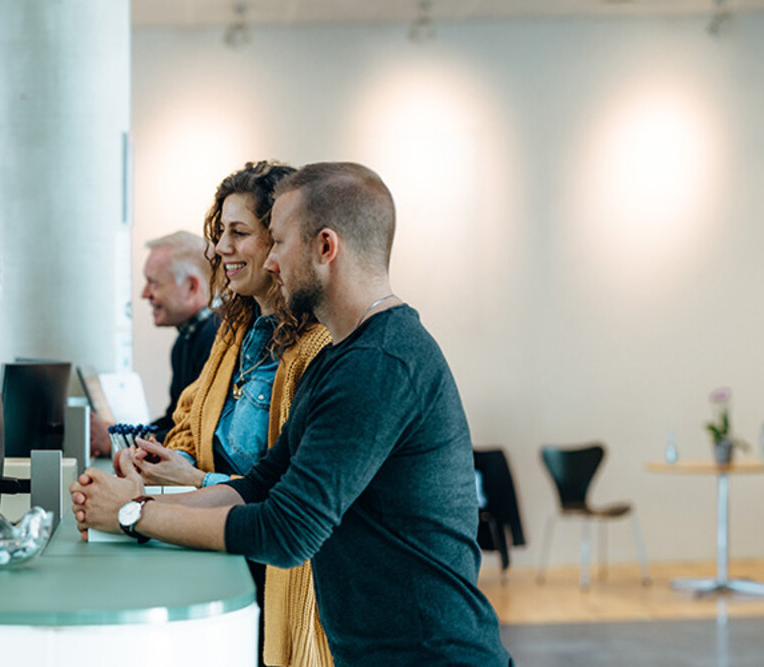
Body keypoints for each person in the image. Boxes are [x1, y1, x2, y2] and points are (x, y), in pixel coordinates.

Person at [72, 162, 510, 666]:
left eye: (276, 242)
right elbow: (259, 486)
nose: (271, 262)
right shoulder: (340, 359)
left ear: (326, 248)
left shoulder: (379, 364)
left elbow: (286, 530)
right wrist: (137, 499)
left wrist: (135, 516)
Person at [126, 161, 336, 667]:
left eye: (238, 233)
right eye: (220, 233)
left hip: (280, 577)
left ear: (280, 242)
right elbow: (189, 419)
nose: (220, 249)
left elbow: (292, 496)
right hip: (223, 558)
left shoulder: (317, 349)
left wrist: (194, 481)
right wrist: (163, 460)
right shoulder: (233, 333)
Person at [140, 230, 220, 434]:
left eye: (154, 283)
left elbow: (194, 432)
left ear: (192, 287)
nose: (145, 294)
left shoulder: (218, 340)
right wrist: (121, 437)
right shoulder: (185, 340)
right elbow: (175, 420)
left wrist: (128, 442)